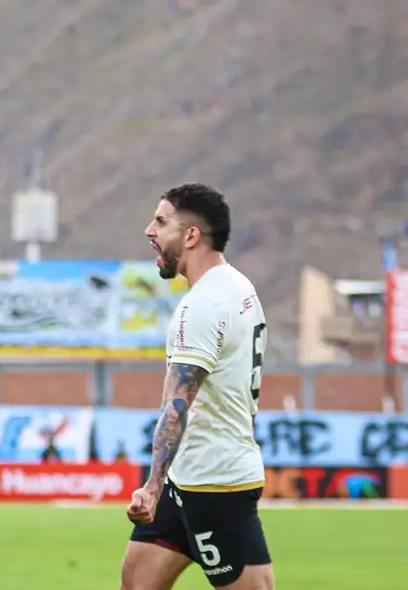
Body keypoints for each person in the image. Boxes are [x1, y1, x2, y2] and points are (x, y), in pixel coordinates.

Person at [121, 183, 274, 590]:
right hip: (186, 478)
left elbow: (177, 405)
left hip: (214, 484)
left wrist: (151, 487)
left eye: (160, 222)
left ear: (191, 236)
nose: (149, 231)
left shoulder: (203, 305)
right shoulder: (238, 286)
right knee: (136, 581)